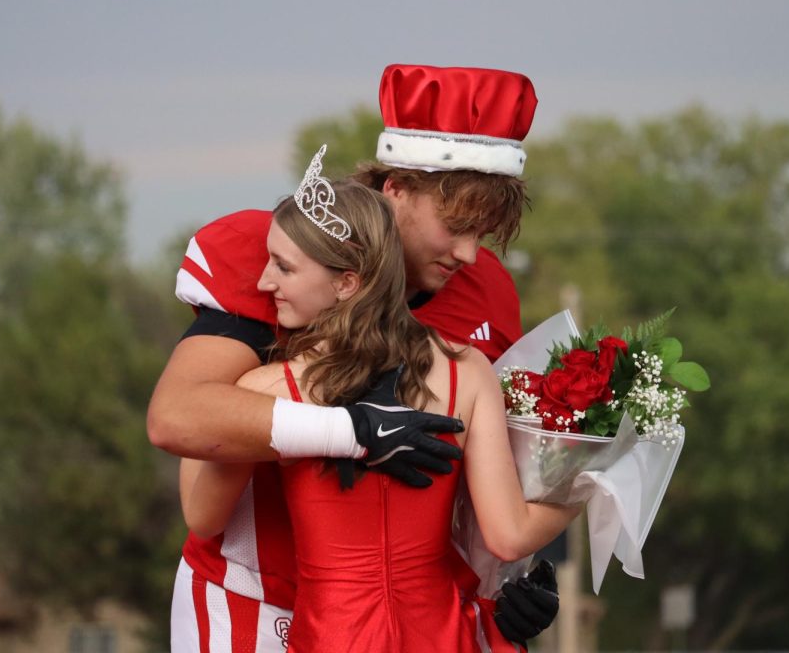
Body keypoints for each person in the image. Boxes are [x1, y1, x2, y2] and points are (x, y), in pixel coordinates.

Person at [150, 64, 561, 651]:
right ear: (395, 191)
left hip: (416, 618)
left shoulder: (483, 296)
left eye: (486, 232)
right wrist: (348, 429)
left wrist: (507, 587)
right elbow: (179, 418)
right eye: (457, 225)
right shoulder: (284, 261)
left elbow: (482, 482)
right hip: (253, 600)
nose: (471, 254)